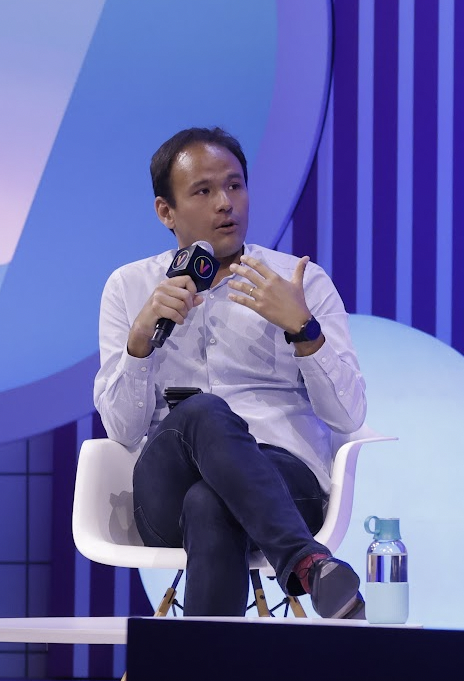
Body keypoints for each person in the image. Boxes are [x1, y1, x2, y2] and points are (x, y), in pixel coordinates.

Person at [93, 127, 369, 619]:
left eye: (235, 185)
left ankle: (208, 666)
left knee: (211, 501)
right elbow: (123, 431)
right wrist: (139, 343)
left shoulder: (300, 283)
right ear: (166, 211)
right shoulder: (129, 287)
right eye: (203, 191)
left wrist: (303, 329)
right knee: (202, 412)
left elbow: (348, 416)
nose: (226, 203)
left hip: (286, 483)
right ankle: (308, 564)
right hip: (166, 493)